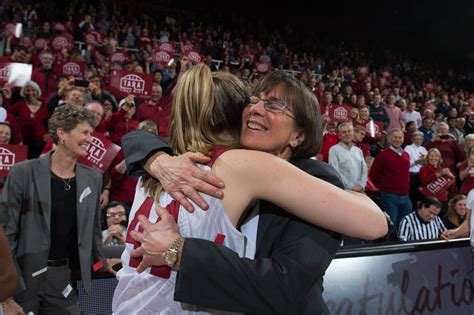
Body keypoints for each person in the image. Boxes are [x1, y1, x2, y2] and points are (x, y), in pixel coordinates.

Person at [114, 66, 387, 314]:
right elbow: (139, 140)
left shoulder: (314, 176)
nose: (256, 109)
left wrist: (180, 251)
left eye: (274, 105)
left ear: (299, 135)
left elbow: (283, 286)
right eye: (254, 100)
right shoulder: (190, 163)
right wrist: (157, 159)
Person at [1, 105, 117, 314]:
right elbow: (6, 234)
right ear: (62, 132)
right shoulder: (22, 173)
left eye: (91, 133)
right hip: (24, 279)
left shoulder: (93, 177)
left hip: (65, 277)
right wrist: (7, 294)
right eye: (84, 132)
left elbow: (92, 231)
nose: (90, 139)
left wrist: (100, 261)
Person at [370, 128, 411, 230]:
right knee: (390, 226)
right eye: (395, 137)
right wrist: (385, 188)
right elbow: (373, 175)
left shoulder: (406, 155)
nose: (398, 139)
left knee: (405, 226)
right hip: (389, 196)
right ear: (389, 139)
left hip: (405, 196)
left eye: (400, 137)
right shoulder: (383, 155)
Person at [328, 122, 367, 192]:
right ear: (339, 136)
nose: (347, 134)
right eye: (344, 132)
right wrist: (351, 186)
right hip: (343, 190)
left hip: (359, 189)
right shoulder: (334, 150)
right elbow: (335, 171)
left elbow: (364, 170)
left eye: (349, 131)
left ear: (353, 133)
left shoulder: (358, 151)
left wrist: (361, 185)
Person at [418, 148, 454, 216]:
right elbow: (424, 181)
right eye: (431, 156)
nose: (434, 158)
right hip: (430, 199)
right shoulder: (423, 169)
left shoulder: (442, 168)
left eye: (436, 156)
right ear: (428, 157)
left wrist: (451, 176)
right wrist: (438, 174)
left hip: (443, 199)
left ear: (439, 158)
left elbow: (450, 187)